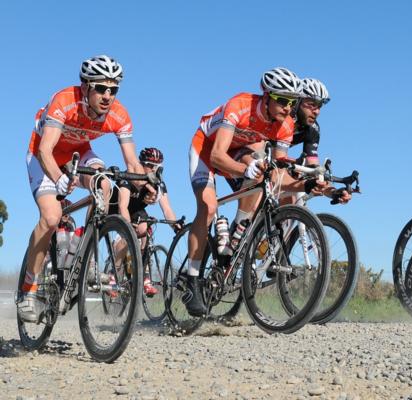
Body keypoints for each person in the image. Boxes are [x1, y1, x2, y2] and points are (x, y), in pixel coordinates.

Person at [19, 55, 154, 323]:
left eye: (113, 90)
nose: (108, 96)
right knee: (51, 217)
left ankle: (84, 250)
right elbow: (45, 150)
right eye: (101, 88)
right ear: (85, 87)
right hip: (43, 155)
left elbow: (131, 162)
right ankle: (28, 289)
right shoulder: (64, 101)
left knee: (103, 183)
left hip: (78, 153)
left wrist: (145, 186)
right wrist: (58, 178)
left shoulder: (119, 114)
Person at [187, 67, 316, 316]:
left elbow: (279, 173)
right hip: (206, 147)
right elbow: (217, 156)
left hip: (238, 151)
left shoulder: (285, 125)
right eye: (282, 100)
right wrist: (245, 170)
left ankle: (235, 233)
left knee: (264, 171)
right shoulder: (240, 105)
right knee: (209, 208)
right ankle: (192, 280)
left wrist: (307, 185)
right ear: (266, 96)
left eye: (292, 102)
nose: (288, 107)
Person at [108, 147, 181, 296]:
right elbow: (123, 206)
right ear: (140, 164)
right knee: (129, 235)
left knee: (144, 230)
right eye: (150, 165)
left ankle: (143, 273)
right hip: (117, 207)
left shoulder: (157, 183)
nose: (154, 169)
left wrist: (176, 227)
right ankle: (114, 272)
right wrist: (128, 228)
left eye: (157, 167)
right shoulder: (129, 177)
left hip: (136, 210)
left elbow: (167, 209)